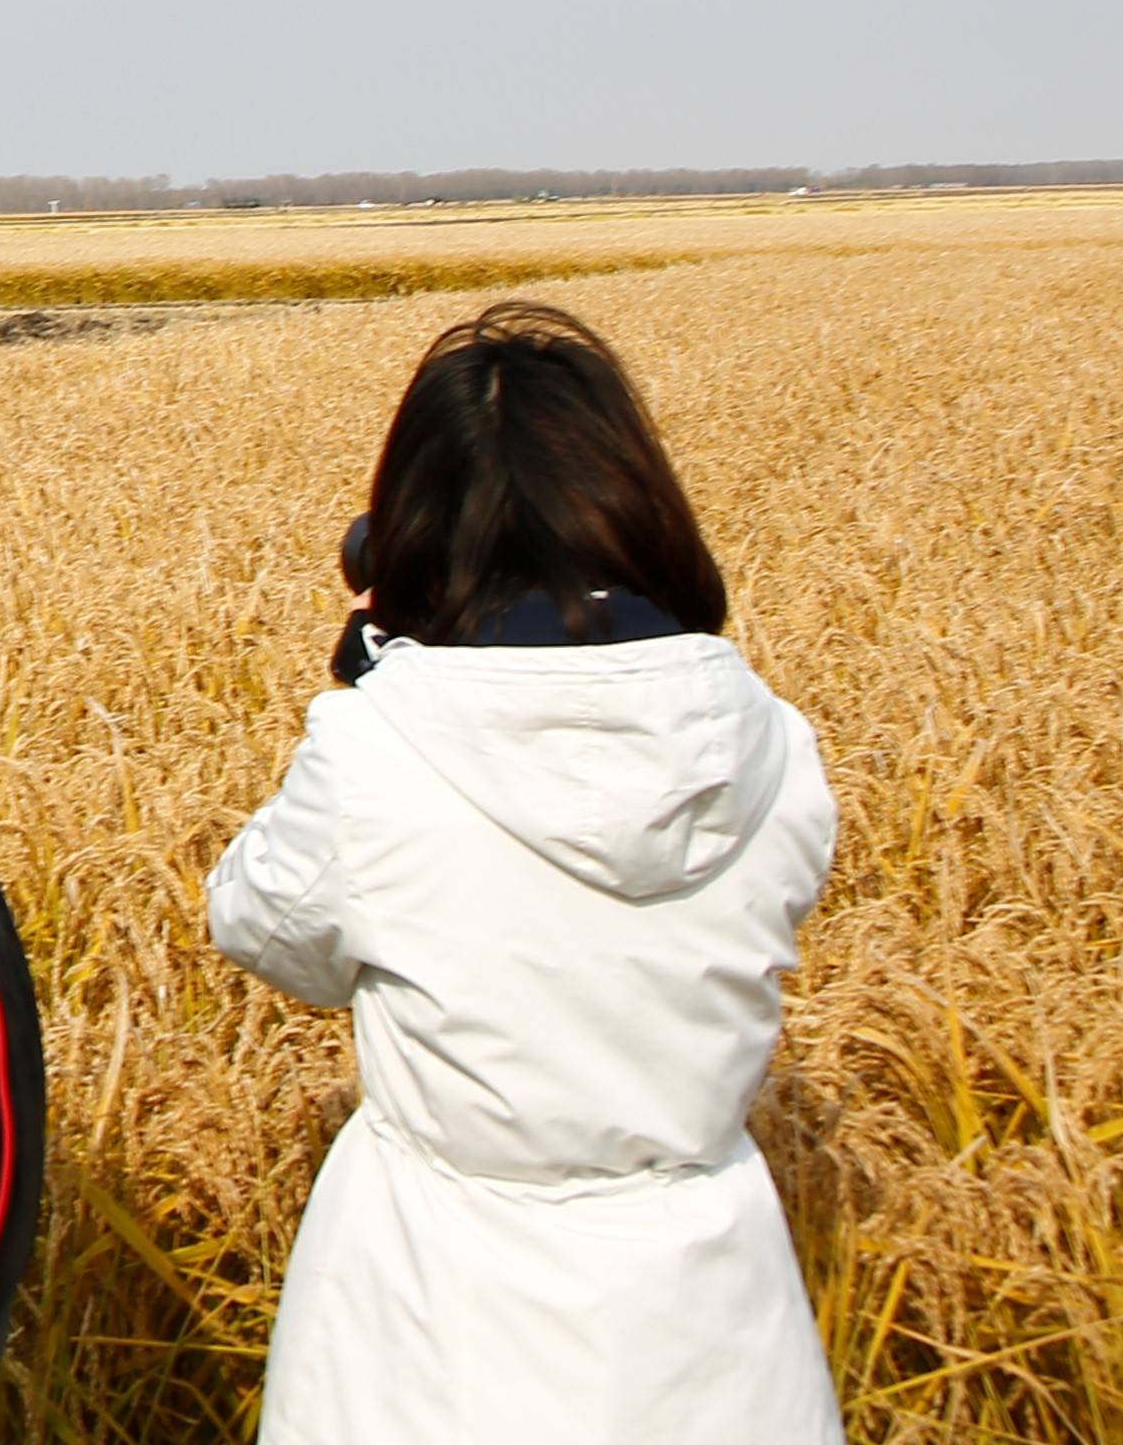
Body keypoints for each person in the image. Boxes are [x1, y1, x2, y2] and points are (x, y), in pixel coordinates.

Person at [208, 301, 842, 1445]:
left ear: (413, 528)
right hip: (716, 1297)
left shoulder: (381, 746)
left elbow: (261, 925)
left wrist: (379, 676)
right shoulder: (773, 741)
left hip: (439, 1300)